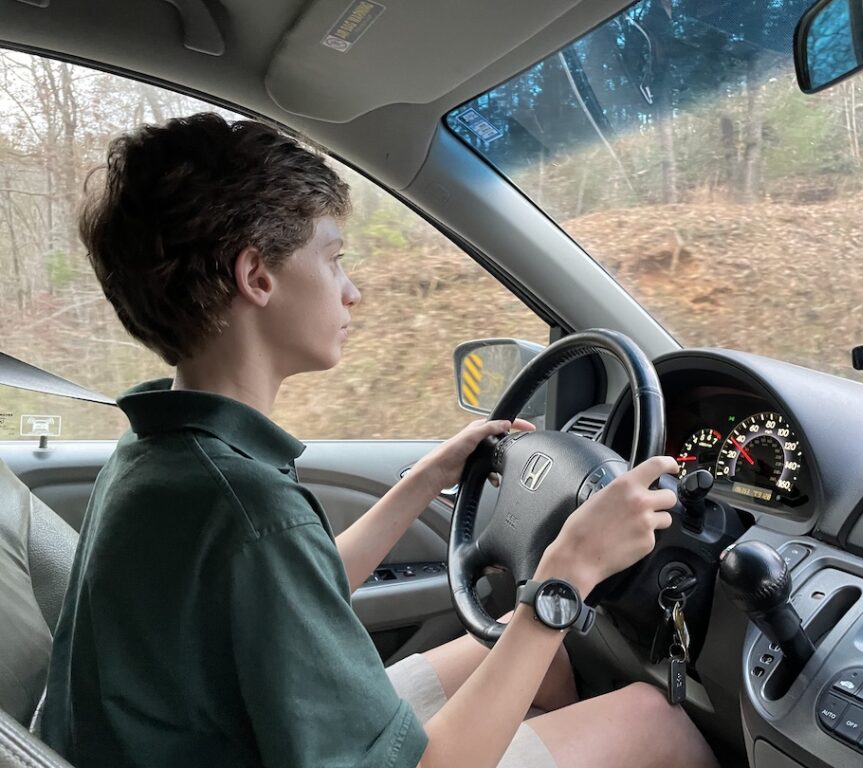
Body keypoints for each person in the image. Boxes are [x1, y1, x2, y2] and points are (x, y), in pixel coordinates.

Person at [40, 112, 719, 768]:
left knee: (505, 655)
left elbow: (299, 592)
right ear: (257, 277)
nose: (353, 291)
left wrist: (424, 480)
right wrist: (568, 571)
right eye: (333, 259)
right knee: (653, 719)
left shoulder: (158, 456)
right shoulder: (248, 508)